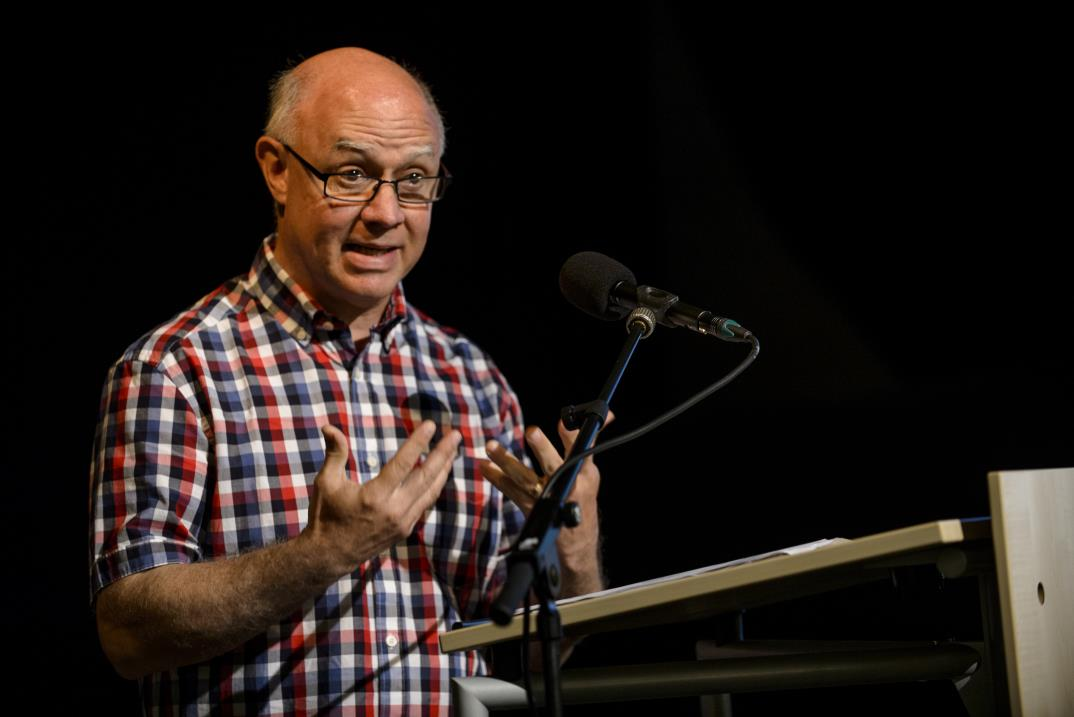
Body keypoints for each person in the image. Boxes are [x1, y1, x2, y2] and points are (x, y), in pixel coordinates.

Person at [89, 47, 604, 714]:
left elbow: (534, 652)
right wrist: (322, 553)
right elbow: (129, 633)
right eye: (353, 174)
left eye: (414, 179)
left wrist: (577, 546)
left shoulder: (471, 378)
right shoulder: (176, 370)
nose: (387, 213)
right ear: (277, 169)